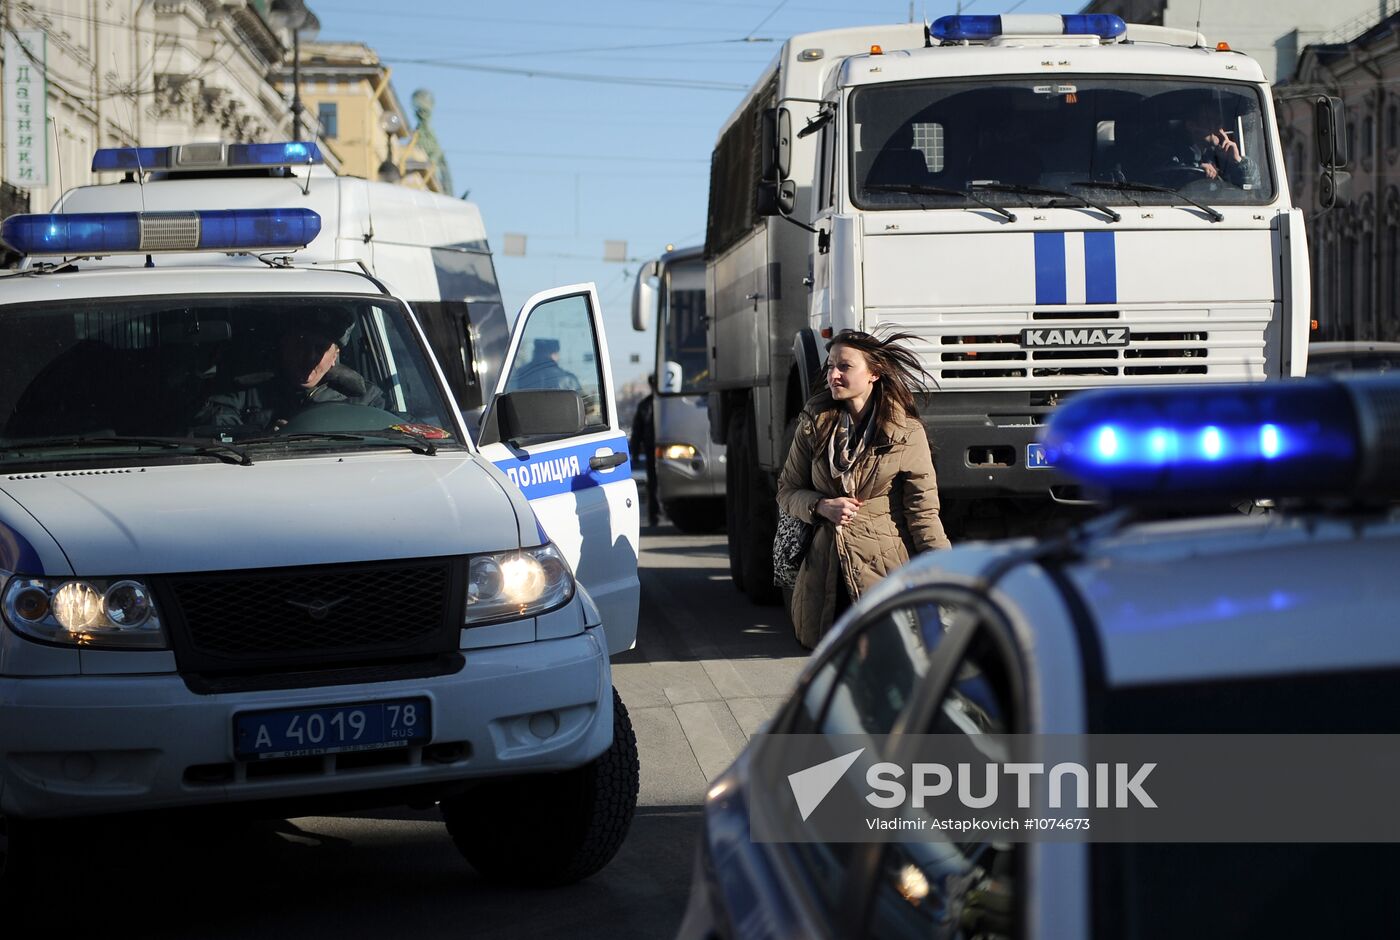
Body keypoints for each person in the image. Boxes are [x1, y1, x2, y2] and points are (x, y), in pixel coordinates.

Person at [777, 330, 952, 649]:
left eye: (844, 366)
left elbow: (923, 515)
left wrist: (947, 576)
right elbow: (787, 490)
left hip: (883, 573)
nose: (833, 374)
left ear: (874, 372)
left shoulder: (906, 434)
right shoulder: (814, 423)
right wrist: (820, 506)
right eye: (830, 366)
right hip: (822, 578)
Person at [195, 310, 383, 430]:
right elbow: (213, 427)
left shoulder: (364, 398)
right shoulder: (242, 389)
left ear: (335, 356)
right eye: (300, 345)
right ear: (283, 345)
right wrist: (263, 436)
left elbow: (396, 433)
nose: (310, 357)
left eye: (321, 349)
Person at [1159, 102, 1260, 187]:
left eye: (1219, 121)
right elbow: (1164, 179)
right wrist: (1195, 171)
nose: (1219, 126)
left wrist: (1237, 161)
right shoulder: (1172, 154)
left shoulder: (1218, 157)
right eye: (1211, 121)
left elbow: (1250, 191)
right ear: (1191, 126)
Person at [630, 375, 659, 526]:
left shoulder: (669, 404)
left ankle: (658, 514)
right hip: (652, 449)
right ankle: (654, 516)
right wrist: (634, 452)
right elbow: (637, 431)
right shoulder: (645, 405)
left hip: (662, 448)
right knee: (653, 484)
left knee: (657, 483)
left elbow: (636, 432)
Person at [508, 337, 582, 392]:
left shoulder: (519, 375)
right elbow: (585, 405)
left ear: (535, 352)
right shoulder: (568, 379)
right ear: (555, 353)